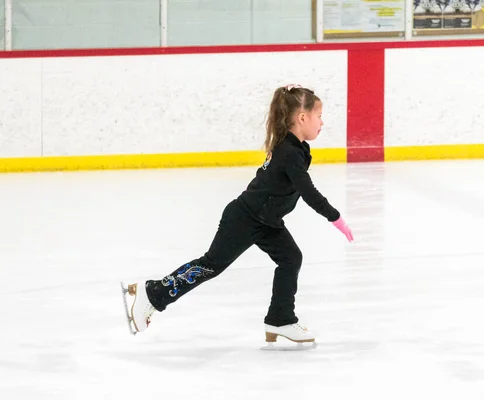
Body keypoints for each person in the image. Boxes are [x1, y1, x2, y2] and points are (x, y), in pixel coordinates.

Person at [121, 84, 354, 346]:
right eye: (319, 116)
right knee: (210, 265)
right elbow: (308, 191)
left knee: (290, 258)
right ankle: (152, 294)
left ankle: (280, 319)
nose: (322, 122)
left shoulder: (297, 148)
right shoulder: (289, 153)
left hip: (267, 220)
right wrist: (335, 217)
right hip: (245, 218)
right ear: (302, 118)